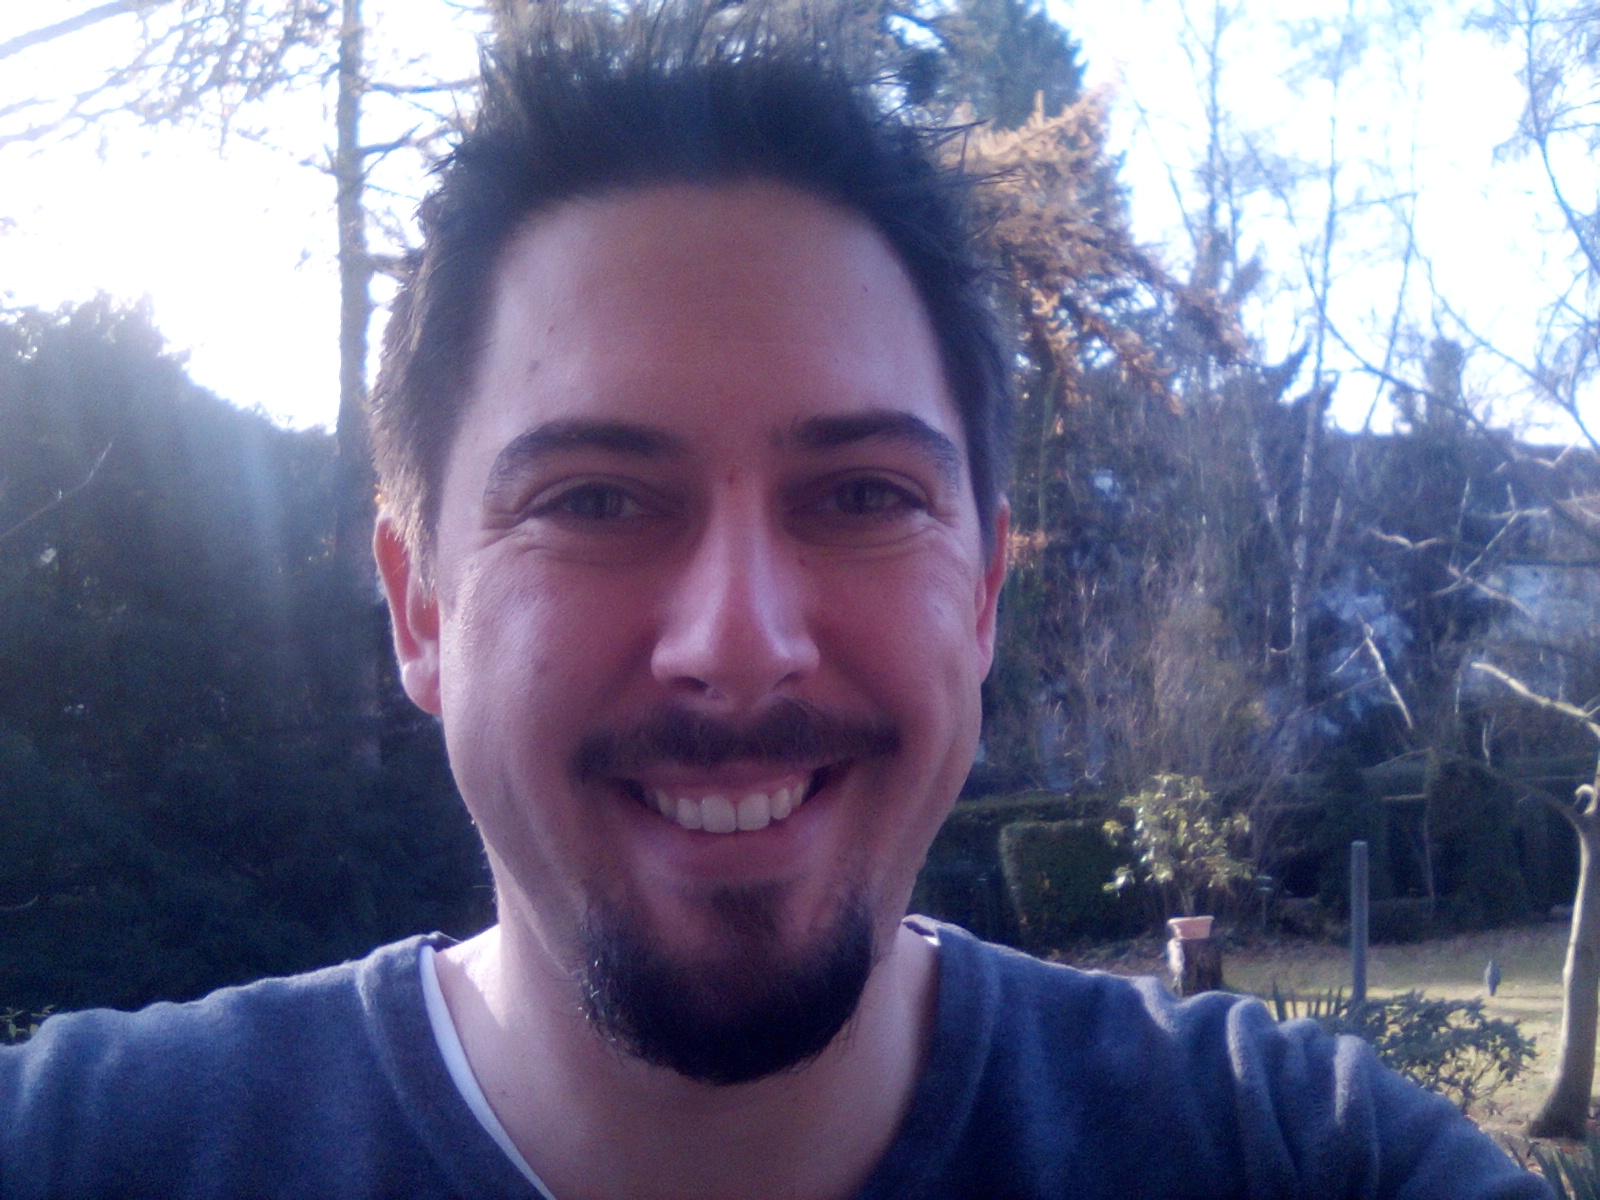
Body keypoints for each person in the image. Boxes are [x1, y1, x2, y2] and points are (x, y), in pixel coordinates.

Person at [0, 4, 1554, 1197]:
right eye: (595, 501)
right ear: (419, 609)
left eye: (863, 496)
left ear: (983, 595)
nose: (738, 644)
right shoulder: (85, 1154)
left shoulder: (1289, 1161)